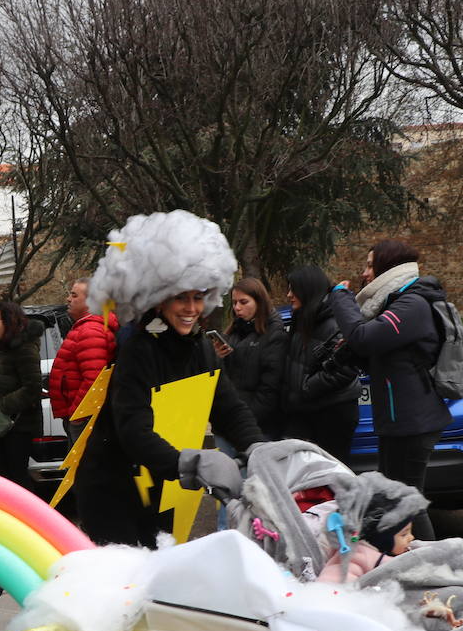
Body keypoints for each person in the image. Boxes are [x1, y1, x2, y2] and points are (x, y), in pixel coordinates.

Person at [74, 211, 264, 548]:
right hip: (113, 488)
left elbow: (228, 407)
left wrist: (259, 448)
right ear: (159, 299)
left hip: (161, 487)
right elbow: (133, 430)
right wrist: (190, 464)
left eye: (198, 297)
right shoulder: (138, 350)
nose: (191, 308)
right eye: (181, 297)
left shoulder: (201, 349)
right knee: (125, 588)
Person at [329, 240, 448, 540]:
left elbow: (364, 337)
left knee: (407, 501)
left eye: (370, 265)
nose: (365, 273)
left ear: (387, 266)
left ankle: (433, 568)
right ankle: (406, 564)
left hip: (412, 422)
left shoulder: (412, 305)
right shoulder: (396, 303)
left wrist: (340, 297)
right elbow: (383, 358)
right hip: (399, 421)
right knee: (396, 500)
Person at [282, 266, 361, 464]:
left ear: (307, 290)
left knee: (330, 476)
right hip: (308, 411)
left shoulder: (335, 321)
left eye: (293, 289)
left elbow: (346, 368)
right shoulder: (302, 319)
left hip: (333, 414)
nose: (289, 295)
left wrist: (307, 386)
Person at [313, 473, 428, 583]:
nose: (411, 537)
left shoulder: (395, 551)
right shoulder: (357, 557)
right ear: (381, 539)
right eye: (404, 534)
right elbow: (332, 584)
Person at [212, 277, 287, 440]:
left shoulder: (274, 334)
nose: (237, 308)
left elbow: (270, 390)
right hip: (226, 425)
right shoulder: (232, 331)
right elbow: (221, 380)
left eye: (243, 302)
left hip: (256, 429)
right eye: (234, 302)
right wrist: (216, 358)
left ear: (259, 301)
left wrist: (244, 422)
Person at [49, 277, 118, 444]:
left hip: (84, 417)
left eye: (74, 295)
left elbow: (94, 379)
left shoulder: (91, 331)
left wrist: (78, 416)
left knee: (85, 467)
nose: (68, 299)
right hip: (81, 416)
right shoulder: (85, 328)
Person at [0, 301, 43, 489]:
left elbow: (32, 388)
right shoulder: (1, 347)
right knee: (5, 477)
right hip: (0, 425)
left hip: (18, 426)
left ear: (8, 324)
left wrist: (2, 406)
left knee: (17, 479)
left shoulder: (24, 348)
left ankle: (30, 517)